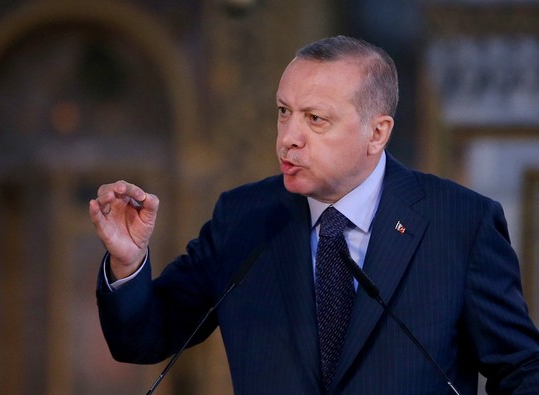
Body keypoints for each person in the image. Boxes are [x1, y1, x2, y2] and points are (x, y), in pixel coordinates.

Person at [90, 36, 539, 394]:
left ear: (377, 132)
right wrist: (127, 265)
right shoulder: (243, 218)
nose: (289, 138)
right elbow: (146, 338)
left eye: (315, 119)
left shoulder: (458, 223)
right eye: (284, 113)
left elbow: (521, 369)